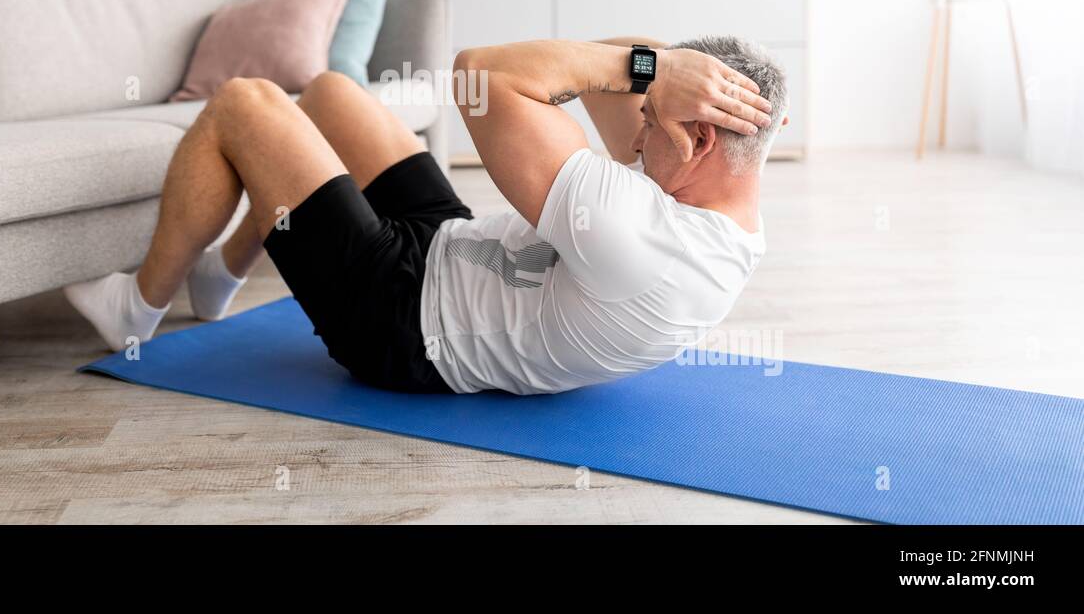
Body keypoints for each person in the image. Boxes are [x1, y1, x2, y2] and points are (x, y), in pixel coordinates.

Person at [66, 34, 788, 395]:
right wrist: (657, 71)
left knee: (243, 105)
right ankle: (222, 275)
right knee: (328, 92)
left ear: (696, 140)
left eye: (650, 120)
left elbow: (480, 75)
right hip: (452, 248)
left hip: (400, 320)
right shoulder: (710, 203)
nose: (633, 133)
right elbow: (609, 67)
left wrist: (650, 70)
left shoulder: (646, 239)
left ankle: (138, 306)